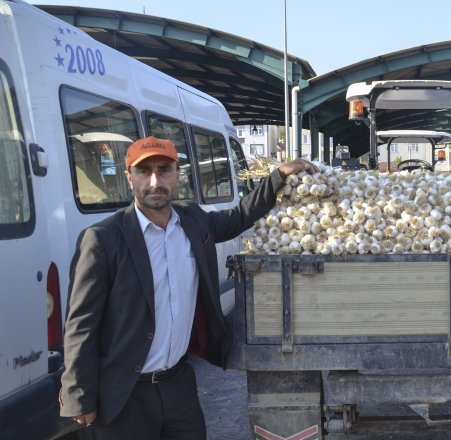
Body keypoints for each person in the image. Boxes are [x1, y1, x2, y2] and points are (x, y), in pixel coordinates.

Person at [59, 136, 317, 439]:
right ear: (129, 178)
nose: (155, 181)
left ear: (177, 176)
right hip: (124, 393)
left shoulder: (192, 221)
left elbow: (238, 217)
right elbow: (81, 324)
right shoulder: (103, 239)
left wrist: (278, 176)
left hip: (177, 385)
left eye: (164, 170)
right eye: (144, 171)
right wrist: (78, 394)